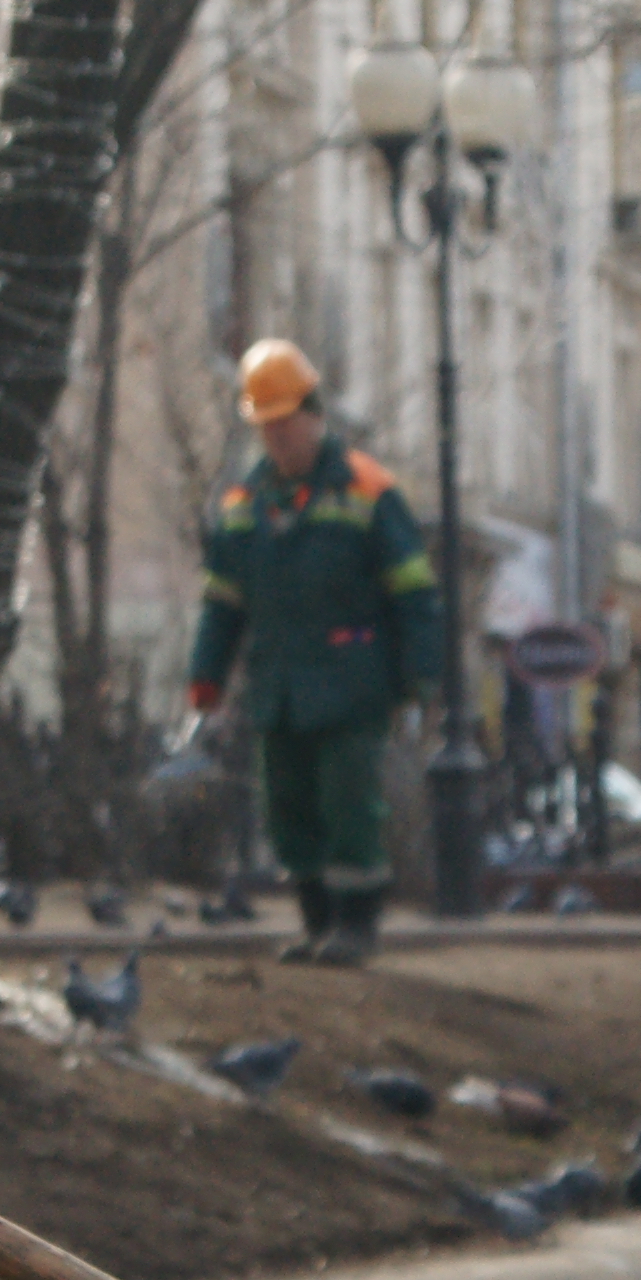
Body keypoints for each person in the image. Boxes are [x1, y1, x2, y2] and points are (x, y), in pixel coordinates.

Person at [182, 339, 439, 963]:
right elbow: (223, 602)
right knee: (288, 807)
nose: (276, 437)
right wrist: (205, 677)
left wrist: (419, 682)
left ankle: (356, 927)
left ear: (314, 415)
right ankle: (316, 921)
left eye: (284, 422)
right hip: (279, 688)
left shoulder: (370, 492)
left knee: (349, 802)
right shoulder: (245, 507)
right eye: (265, 425)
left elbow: (414, 594)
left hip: (352, 685)